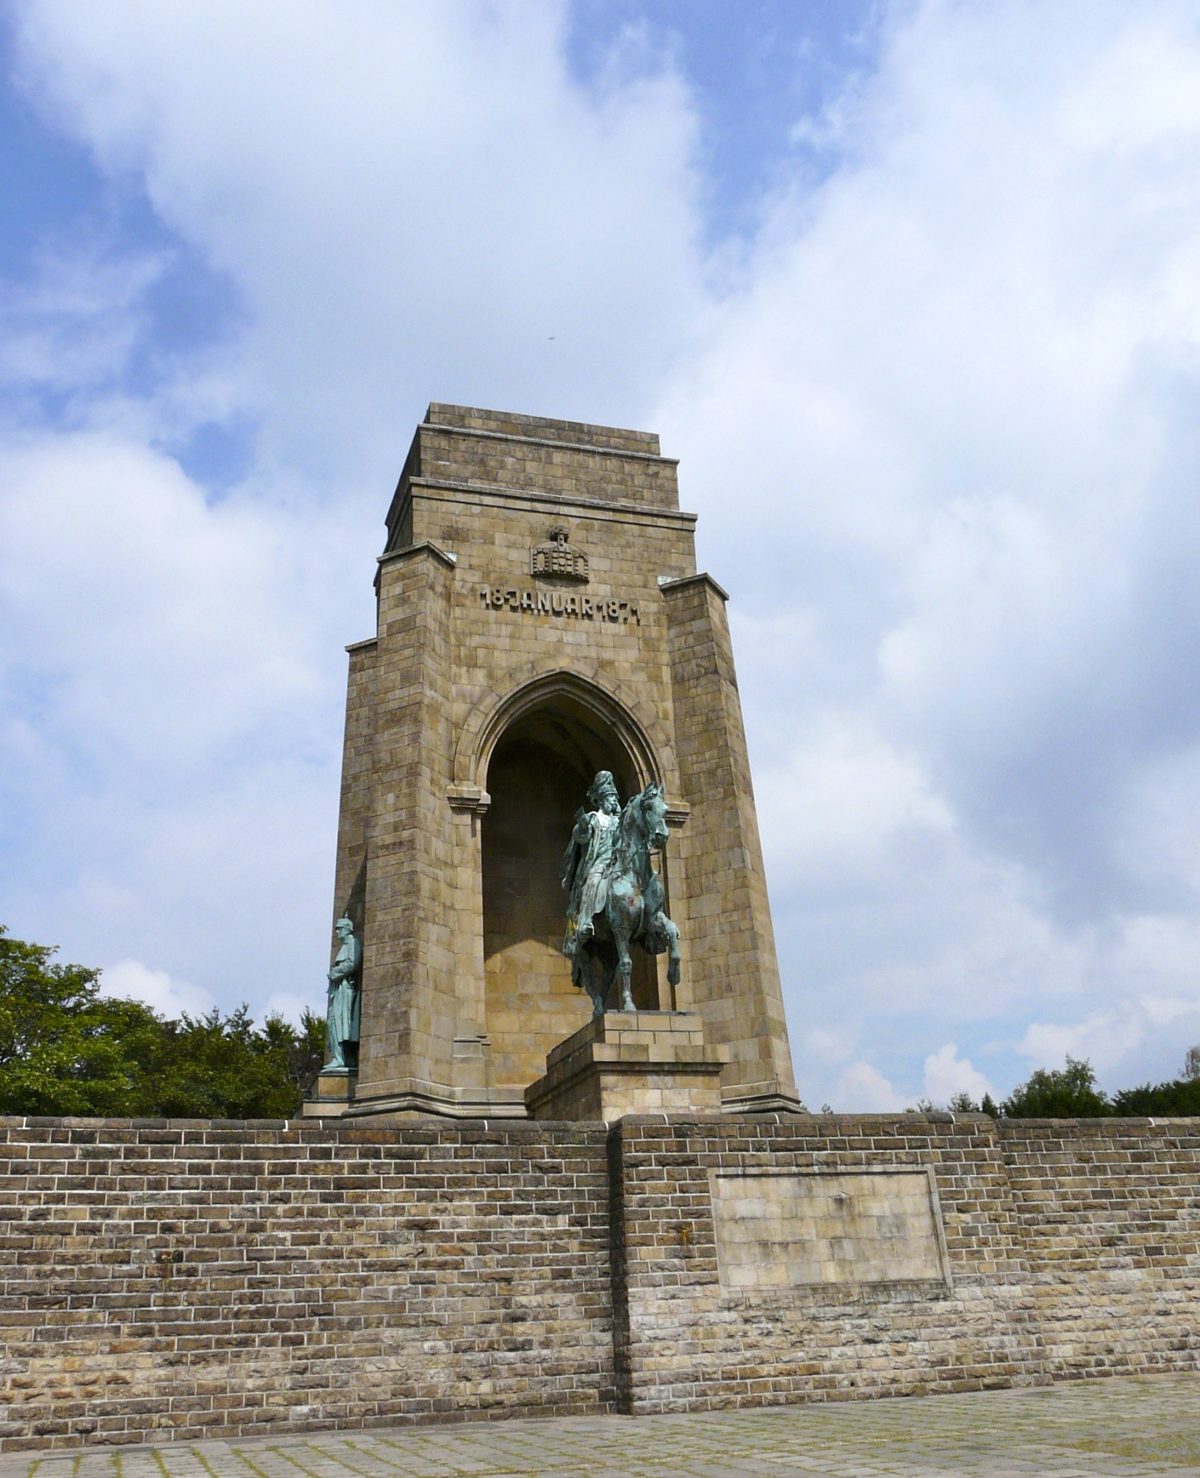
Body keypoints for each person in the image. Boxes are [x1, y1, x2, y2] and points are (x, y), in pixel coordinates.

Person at [561, 770, 621, 967]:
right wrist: (583, 827)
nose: (613, 801)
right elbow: (581, 837)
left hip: (620, 862)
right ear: (601, 800)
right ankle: (586, 921)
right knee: (593, 882)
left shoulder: (619, 820)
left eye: (614, 797)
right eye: (609, 798)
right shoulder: (594, 817)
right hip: (599, 863)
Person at [323, 916, 362, 1073]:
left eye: (339, 928)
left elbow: (353, 963)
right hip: (339, 990)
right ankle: (340, 1058)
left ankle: (340, 1059)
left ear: (347, 929)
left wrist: (335, 973)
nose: (337, 931)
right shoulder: (345, 945)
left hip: (346, 990)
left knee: (338, 1023)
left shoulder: (353, 943)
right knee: (335, 1024)